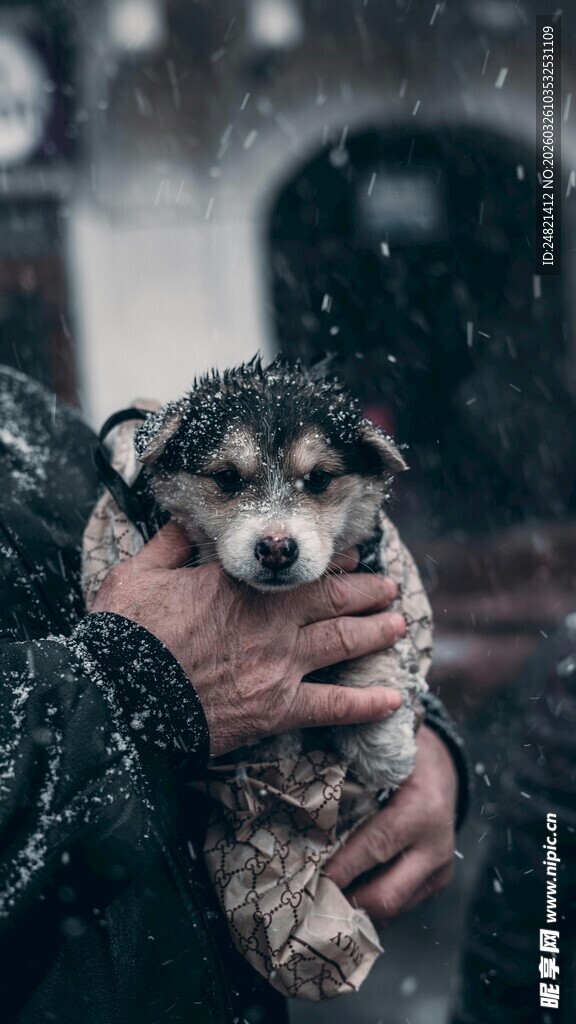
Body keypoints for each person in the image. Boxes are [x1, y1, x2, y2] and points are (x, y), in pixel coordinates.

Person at [0, 364, 469, 1023]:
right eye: (228, 482)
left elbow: (210, 619)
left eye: (314, 482)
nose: (278, 532)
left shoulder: (19, 410)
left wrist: (420, 736)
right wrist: (132, 684)